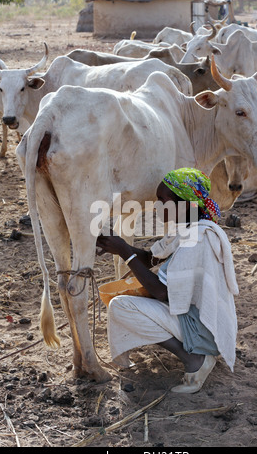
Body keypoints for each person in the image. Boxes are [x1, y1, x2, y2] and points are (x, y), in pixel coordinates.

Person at [96, 168, 239, 394]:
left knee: (121, 306)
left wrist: (125, 252)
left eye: (163, 200)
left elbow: (163, 293)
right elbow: (152, 258)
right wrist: (115, 244)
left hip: (203, 327)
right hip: (195, 318)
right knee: (124, 303)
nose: (157, 205)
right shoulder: (187, 230)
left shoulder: (198, 238)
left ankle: (196, 358)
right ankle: (195, 352)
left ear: (183, 204)